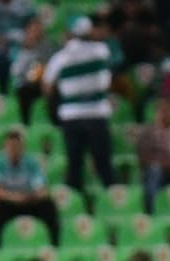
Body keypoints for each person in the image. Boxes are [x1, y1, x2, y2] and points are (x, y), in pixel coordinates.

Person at [42, 16, 116, 190]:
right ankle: (111, 199)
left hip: (71, 115)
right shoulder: (101, 50)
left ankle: (76, 205)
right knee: (103, 164)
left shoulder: (60, 57)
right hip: (97, 114)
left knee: (75, 166)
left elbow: (46, 86)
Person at [0, 126, 58, 246]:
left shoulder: (31, 162)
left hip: (29, 201)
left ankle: (54, 244)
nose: (14, 150)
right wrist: (14, 197)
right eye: (11, 147)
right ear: (5, 147)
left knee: (48, 205)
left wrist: (31, 197)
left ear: (22, 147)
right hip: (8, 202)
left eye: (17, 146)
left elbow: (43, 190)